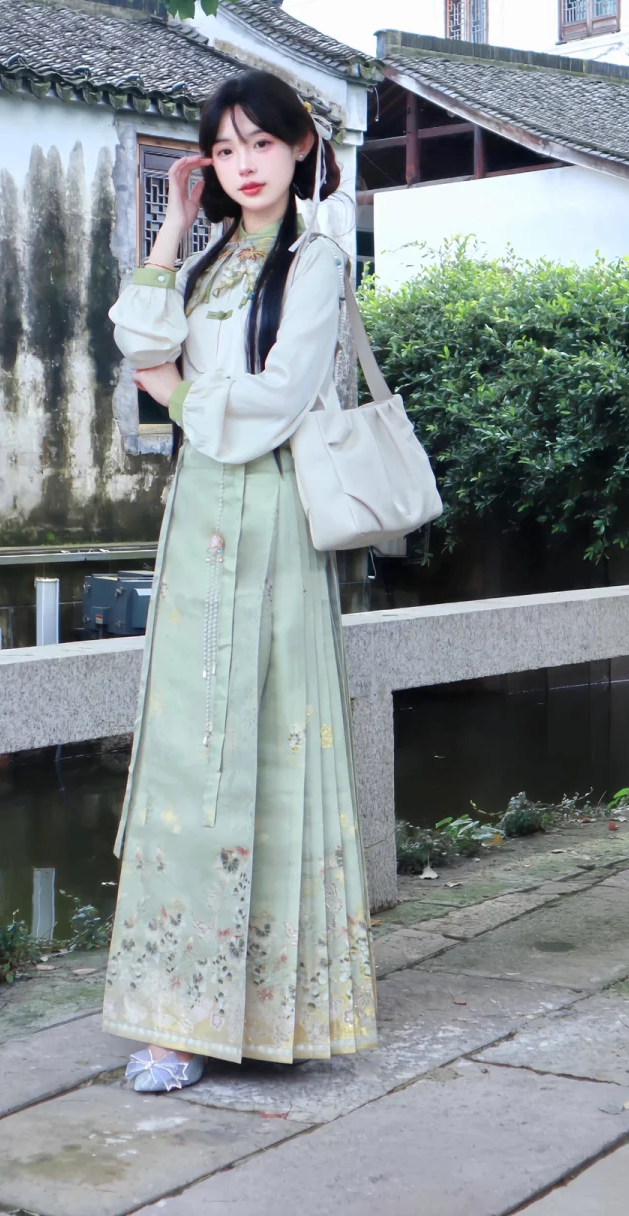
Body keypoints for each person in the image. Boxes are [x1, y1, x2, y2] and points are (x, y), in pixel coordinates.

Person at [101, 69, 378, 1093]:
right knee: (188, 756)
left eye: (262, 143)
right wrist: (173, 226)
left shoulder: (317, 259)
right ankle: (178, 1015)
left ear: (302, 147)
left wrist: (177, 394)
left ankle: (272, 1011)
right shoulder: (210, 259)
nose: (244, 164)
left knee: (269, 747)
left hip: (271, 516)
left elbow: (276, 399)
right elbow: (137, 337)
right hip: (198, 521)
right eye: (225, 150)